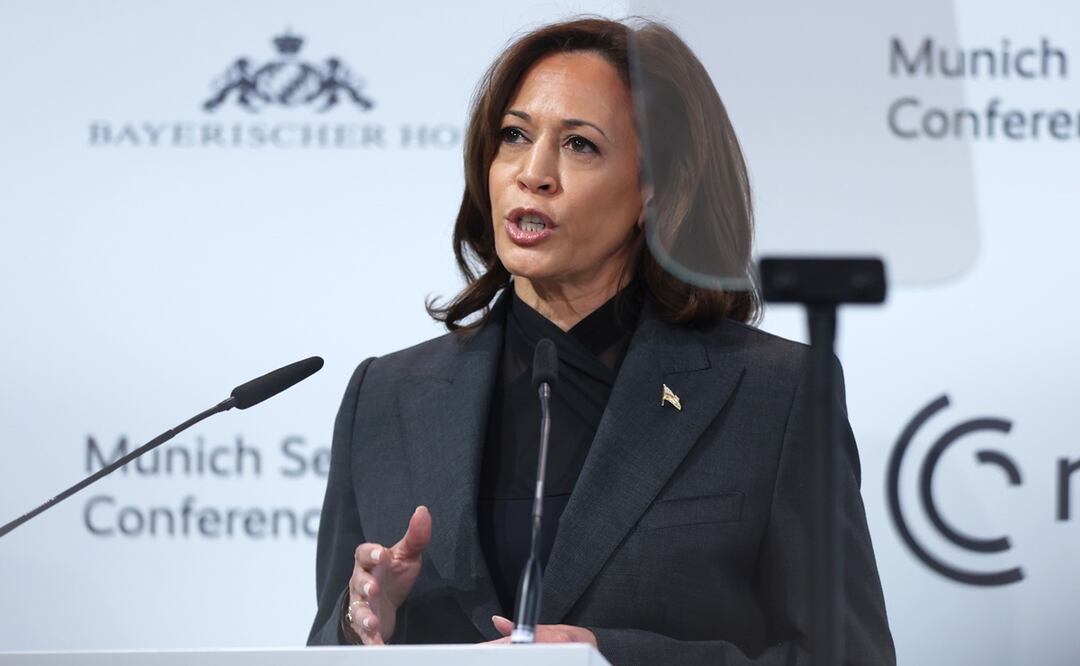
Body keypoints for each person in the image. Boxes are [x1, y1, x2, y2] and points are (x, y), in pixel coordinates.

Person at [307, 17, 895, 665]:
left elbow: (850, 656)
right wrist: (361, 619)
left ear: (655, 187)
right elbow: (323, 647)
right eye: (514, 136)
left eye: (580, 145)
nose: (533, 173)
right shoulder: (385, 398)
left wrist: (607, 657)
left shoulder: (772, 395)